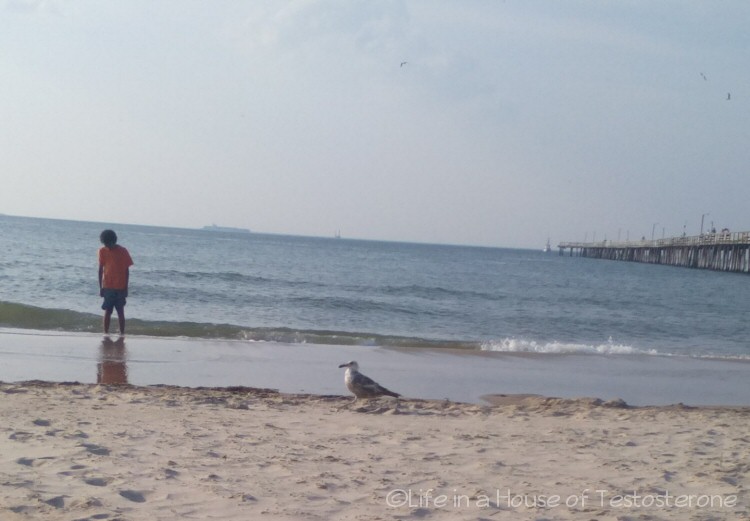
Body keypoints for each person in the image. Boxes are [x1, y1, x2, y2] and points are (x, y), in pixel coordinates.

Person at [98, 229, 134, 335]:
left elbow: (126, 270)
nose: (108, 246)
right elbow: (100, 270)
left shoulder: (123, 251)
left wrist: (126, 288)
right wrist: (100, 287)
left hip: (120, 287)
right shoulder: (102, 251)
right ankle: (105, 333)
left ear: (114, 241)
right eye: (105, 244)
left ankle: (122, 333)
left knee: (120, 312)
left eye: (109, 244)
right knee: (107, 311)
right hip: (108, 286)